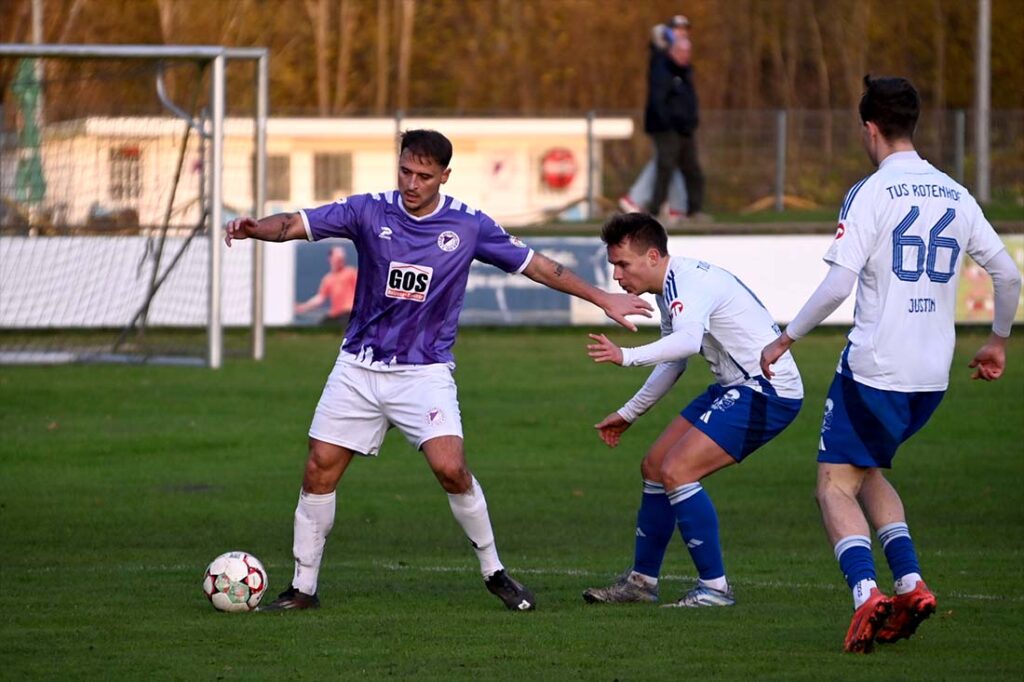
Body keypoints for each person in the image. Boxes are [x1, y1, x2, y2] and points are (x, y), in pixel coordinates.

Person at [225, 129, 652, 613]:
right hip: (359, 367)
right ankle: (302, 588)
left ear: (444, 176)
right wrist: (255, 228)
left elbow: (538, 267)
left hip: (423, 372)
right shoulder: (369, 210)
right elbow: (297, 223)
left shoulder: (468, 226)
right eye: (406, 171)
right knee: (319, 470)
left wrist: (603, 298)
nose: (412, 182)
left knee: (451, 468)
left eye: (424, 176)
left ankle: (495, 573)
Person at [760, 76, 1022, 653]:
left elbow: (837, 284)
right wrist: (998, 341)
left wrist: (787, 338)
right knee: (868, 471)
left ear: (869, 128)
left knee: (832, 484)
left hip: (876, 368)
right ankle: (910, 583)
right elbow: (1008, 274)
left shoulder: (871, 193)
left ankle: (865, 595)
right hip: (931, 377)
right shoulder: (955, 192)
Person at [582, 212, 803, 608]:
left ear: (652, 256)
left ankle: (715, 589)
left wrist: (626, 356)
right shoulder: (671, 286)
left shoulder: (688, 282)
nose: (616, 276)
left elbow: (685, 343)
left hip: (768, 390)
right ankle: (641, 583)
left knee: (678, 470)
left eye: (622, 264)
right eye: (613, 265)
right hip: (736, 385)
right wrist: (630, 413)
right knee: (654, 466)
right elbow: (675, 360)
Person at [619, 17, 689, 220]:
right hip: (663, 123)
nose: (682, 33)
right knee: (664, 160)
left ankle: (675, 205)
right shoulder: (662, 58)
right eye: (677, 30)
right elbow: (660, 95)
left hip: (673, 121)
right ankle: (636, 198)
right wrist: (667, 119)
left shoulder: (672, 59)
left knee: (669, 161)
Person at [644, 14, 706, 221]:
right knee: (664, 168)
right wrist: (667, 122)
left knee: (692, 170)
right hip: (668, 127)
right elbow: (659, 99)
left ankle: (694, 210)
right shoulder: (662, 62)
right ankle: (654, 211)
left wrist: (691, 120)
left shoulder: (685, 71)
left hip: (684, 128)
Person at [295, 246, 358, 326]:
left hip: (349, 313)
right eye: (338, 258)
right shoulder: (328, 279)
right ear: (330, 258)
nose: (340, 260)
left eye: (342, 258)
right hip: (335, 315)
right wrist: (304, 307)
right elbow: (320, 297)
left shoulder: (351, 273)